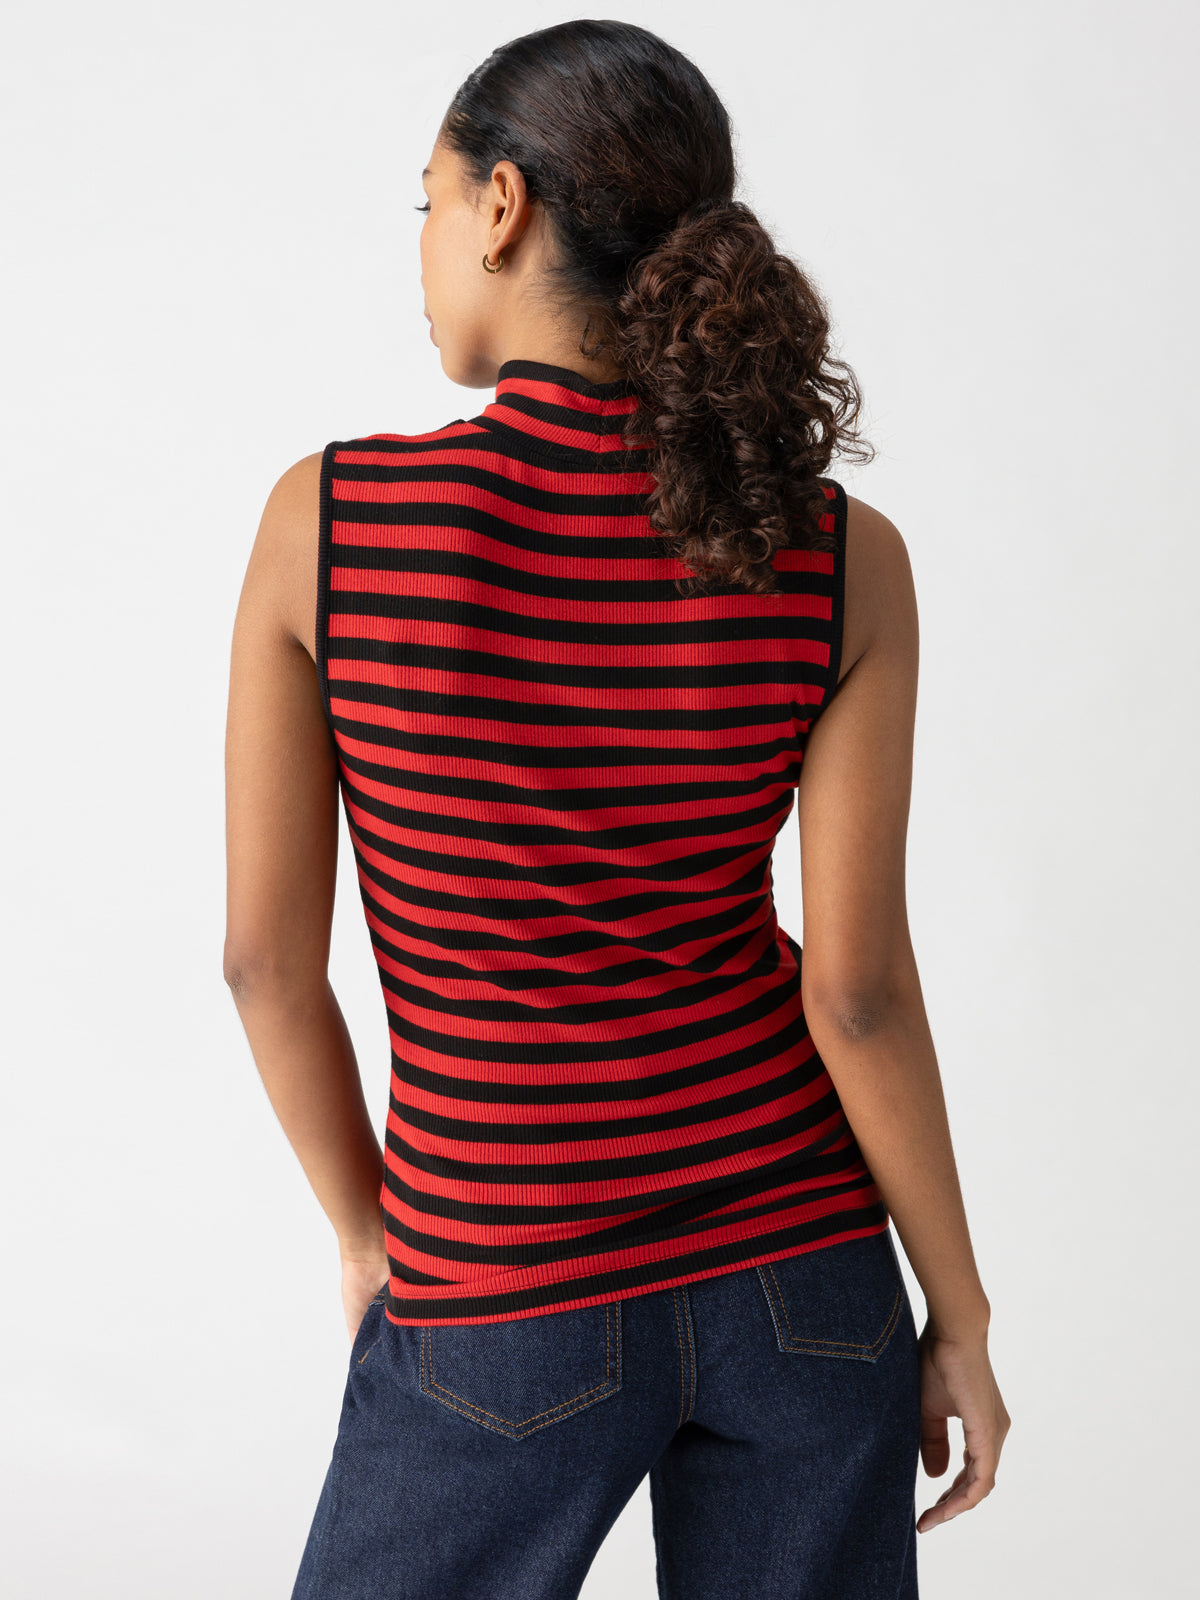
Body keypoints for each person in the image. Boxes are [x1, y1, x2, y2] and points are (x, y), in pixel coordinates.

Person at [224, 19, 1009, 1600]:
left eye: (428, 204)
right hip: (808, 1282)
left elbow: (262, 962)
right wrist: (962, 1315)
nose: (427, 246)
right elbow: (855, 993)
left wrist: (378, 1240)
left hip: (503, 1276)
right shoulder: (839, 552)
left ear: (502, 207)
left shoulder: (336, 525)